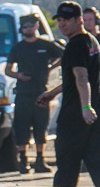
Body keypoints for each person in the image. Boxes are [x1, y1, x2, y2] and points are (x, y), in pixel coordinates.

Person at [36, 1, 100, 187]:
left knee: (67, 169)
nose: (62, 24)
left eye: (67, 19)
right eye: (60, 20)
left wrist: (84, 106)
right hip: (97, 115)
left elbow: (81, 77)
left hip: (76, 117)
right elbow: (75, 79)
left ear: (79, 20)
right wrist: (52, 93)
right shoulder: (92, 41)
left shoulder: (75, 45)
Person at [4, 14, 63, 174]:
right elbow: (8, 70)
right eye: (25, 26)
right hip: (23, 93)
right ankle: (23, 160)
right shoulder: (18, 47)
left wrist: (50, 67)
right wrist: (19, 76)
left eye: (32, 25)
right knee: (22, 127)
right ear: (22, 29)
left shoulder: (46, 45)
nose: (28, 28)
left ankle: (40, 159)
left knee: (40, 127)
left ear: (37, 26)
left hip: (41, 92)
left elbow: (63, 56)